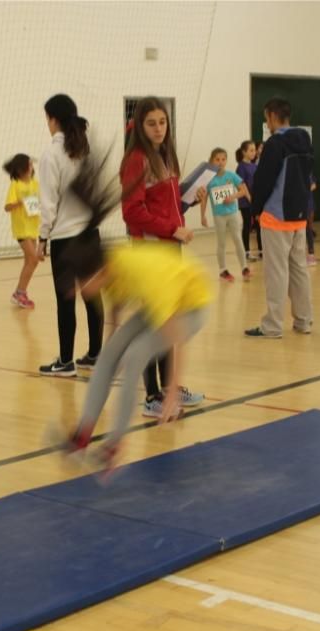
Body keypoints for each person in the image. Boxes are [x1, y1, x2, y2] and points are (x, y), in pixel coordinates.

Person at [54, 238, 212, 476]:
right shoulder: (110, 270)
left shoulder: (142, 277)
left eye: (81, 282)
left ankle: (115, 445)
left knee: (135, 354)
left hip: (191, 306)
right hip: (159, 302)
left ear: (98, 273)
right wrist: (110, 354)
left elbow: (177, 339)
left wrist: (171, 393)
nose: (78, 290)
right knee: (109, 356)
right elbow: (117, 306)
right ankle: (82, 436)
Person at [121, 96, 204, 416]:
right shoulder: (136, 160)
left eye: (163, 122)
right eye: (151, 123)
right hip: (150, 252)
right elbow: (132, 212)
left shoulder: (165, 156)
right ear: (140, 126)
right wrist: (173, 228)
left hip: (170, 250)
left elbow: (164, 204)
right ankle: (152, 395)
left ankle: (170, 388)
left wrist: (189, 202)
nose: (158, 129)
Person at [36, 94, 103, 377]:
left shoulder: (52, 154)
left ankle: (65, 361)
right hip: (90, 234)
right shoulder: (84, 149)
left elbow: (48, 201)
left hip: (65, 238)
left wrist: (41, 238)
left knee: (66, 300)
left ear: (53, 119)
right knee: (92, 296)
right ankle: (96, 354)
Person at [244, 97, 314, 339]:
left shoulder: (275, 143)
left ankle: (272, 325)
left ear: (272, 116)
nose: (267, 123)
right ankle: (304, 321)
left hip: (276, 215)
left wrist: (255, 210)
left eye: (267, 119)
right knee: (299, 269)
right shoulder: (304, 138)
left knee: (276, 272)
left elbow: (264, 180)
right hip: (299, 215)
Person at [3, 153, 42, 308]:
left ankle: (20, 293)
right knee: (33, 259)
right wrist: (20, 202)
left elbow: (38, 202)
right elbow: (7, 207)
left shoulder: (35, 183)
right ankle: (19, 293)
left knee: (30, 262)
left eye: (32, 165)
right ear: (21, 168)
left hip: (33, 227)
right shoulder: (15, 184)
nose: (32, 167)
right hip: (21, 229)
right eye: (29, 164)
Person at [206, 147, 250, 282]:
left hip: (233, 213)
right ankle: (222, 270)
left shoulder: (231, 175)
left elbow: (243, 190)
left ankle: (244, 267)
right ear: (212, 161)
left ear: (226, 160)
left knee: (238, 239)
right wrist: (202, 215)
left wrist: (233, 196)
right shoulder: (209, 179)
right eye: (217, 159)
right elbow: (203, 197)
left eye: (223, 159)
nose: (220, 162)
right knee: (221, 243)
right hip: (219, 215)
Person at [235, 141, 261, 260]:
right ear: (244, 152)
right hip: (246, 202)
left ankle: (261, 251)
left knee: (259, 225)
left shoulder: (255, 166)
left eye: (254, 150)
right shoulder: (241, 167)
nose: (253, 152)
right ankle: (246, 252)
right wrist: (250, 198)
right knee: (247, 225)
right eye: (251, 150)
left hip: (255, 201)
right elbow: (241, 185)